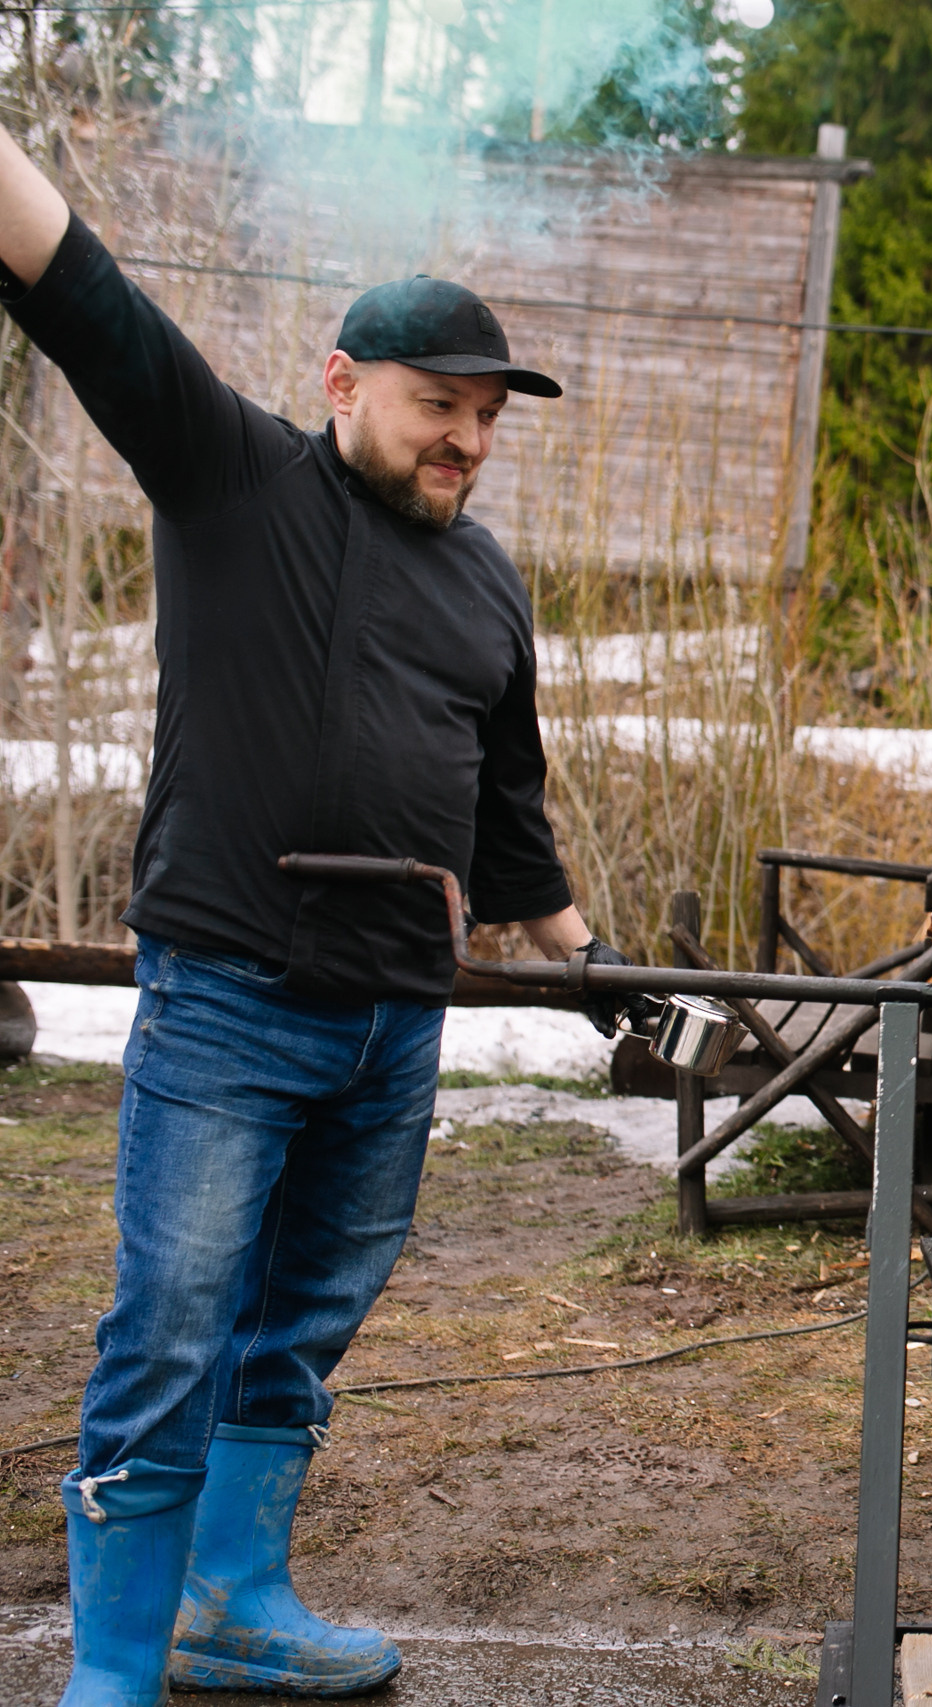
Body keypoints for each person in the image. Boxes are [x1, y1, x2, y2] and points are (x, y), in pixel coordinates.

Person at [0, 133, 643, 1702]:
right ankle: (111, 1668)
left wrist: (591, 963)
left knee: (299, 1325)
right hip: (231, 994)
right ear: (344, 382)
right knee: (171, 1325)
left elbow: (508, 820)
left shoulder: (487, 584)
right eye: (442, 406)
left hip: (395, 1019)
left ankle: (234, 1599)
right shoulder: (234, 477)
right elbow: (79, 291)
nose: (470, 442)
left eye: (488, 419)